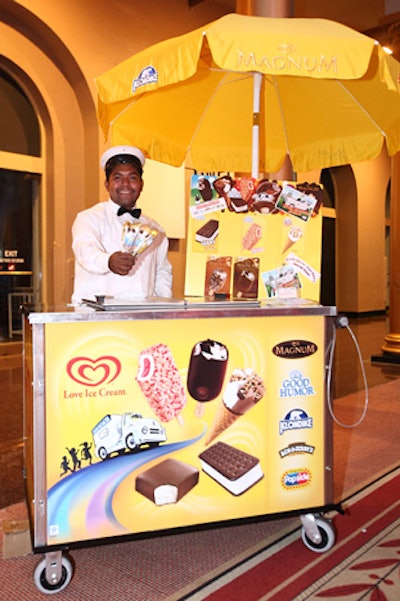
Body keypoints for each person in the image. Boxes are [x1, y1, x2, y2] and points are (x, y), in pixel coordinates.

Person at [71, 145, 173, 305]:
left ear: (141, 184)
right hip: (96, 316)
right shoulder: (89, 218)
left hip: (142, 316)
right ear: (107, 184)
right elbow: (85, 251)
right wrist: (108, 261)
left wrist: (165, 306)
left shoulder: (155, 229)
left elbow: (162, 272)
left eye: (132, 178)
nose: (125, 184)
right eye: (117, 178)